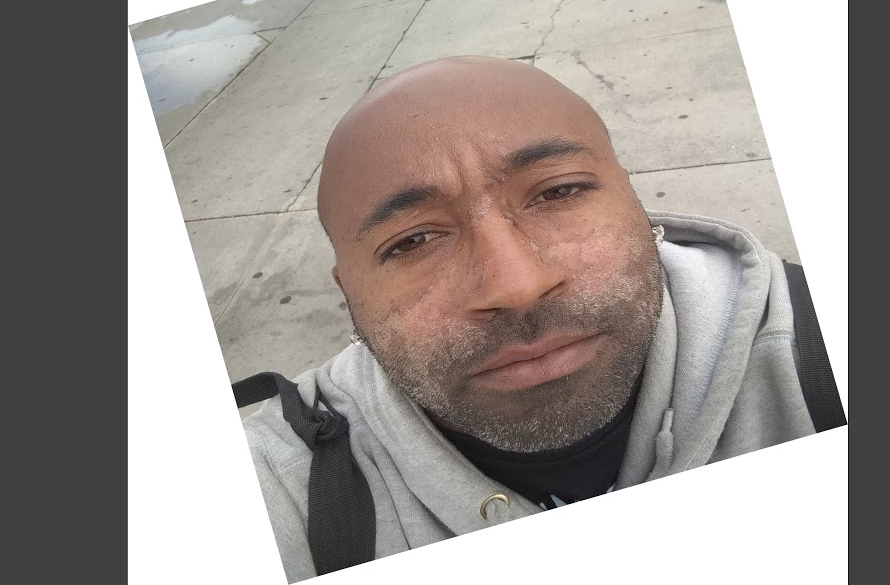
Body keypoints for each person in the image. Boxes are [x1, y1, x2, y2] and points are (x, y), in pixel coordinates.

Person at [242, 55, 839, 582]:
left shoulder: (816, 350)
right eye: (413, 240)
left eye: (559, 192)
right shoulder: (286, 488)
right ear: (349, 294)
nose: (518, 286)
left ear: (635, 204)